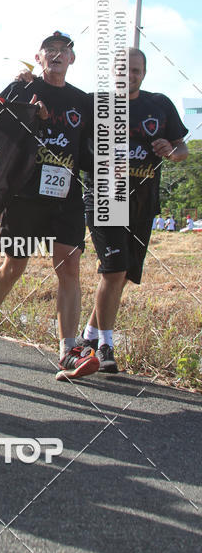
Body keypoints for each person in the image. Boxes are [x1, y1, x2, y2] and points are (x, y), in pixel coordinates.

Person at [0, 32, 99, 381]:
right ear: (39, 57)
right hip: (25, 195)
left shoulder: (83, 101)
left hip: (67, 197)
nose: (58, 55)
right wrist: (29, 114)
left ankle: (68, 351)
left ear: (72, 59)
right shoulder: (21, 90)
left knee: (69, 268)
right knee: (13, 266)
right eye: (51, 50)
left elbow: (93, 148)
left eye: (65, 51)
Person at [79, 48, 188, 372]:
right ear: (113, 71)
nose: (130, 75)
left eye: (136, 70)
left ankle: (89, 335)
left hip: (143, 203)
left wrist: (171, 151)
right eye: (124, 69)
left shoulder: (160, 105)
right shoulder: (95, 104)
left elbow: (181, 148)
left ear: (144, 72)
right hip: (104, 197)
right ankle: (106, 346)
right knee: (114, 270)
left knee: (122, 274)